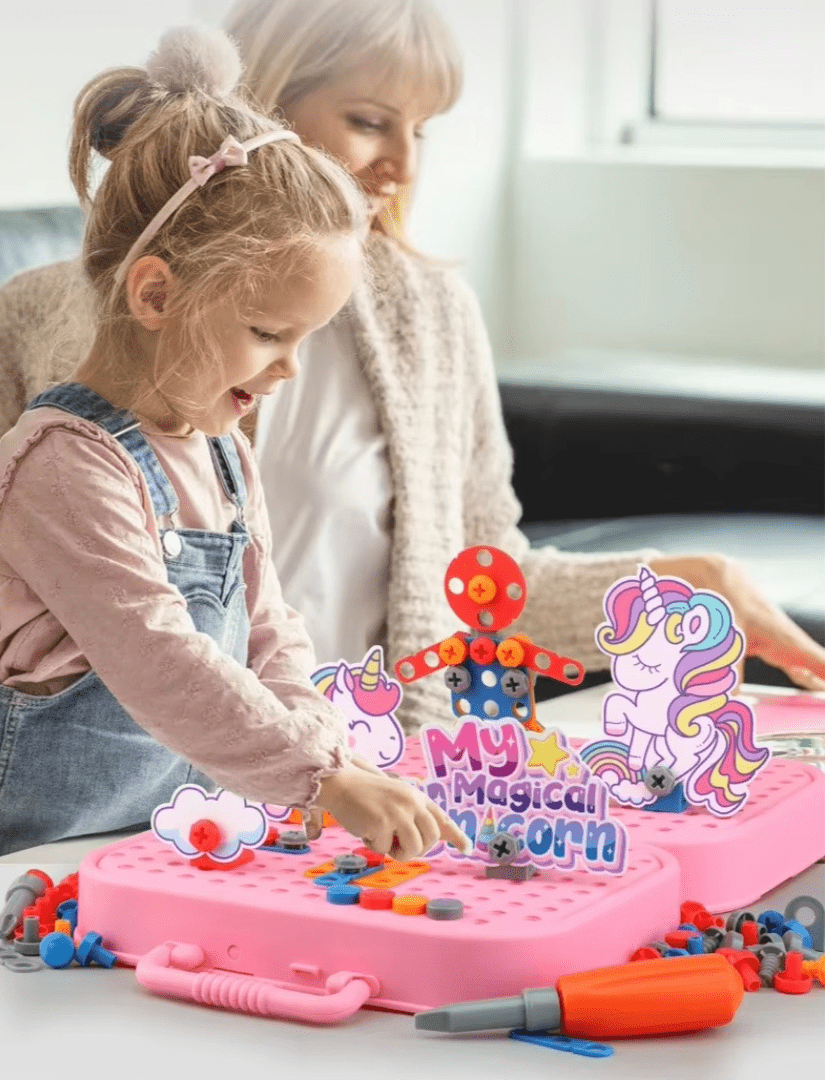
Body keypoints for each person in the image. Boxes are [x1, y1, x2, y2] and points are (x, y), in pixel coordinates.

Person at [0, 2, 822, 742]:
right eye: (368, 120)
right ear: (254, 110)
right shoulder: (48, 315)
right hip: (128, 801)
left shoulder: (435, 314)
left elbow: (476, 577)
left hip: (369, 781)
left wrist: (671, 586)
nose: (401, 162)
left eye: (421, 130)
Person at [0, 26, 468, 859]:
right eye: (265, 332)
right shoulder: (62, 467)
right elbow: (158, 657)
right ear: (156, 293)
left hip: (154, 840)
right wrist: (317, 779)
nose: (287, 367)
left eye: (304, 340)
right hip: (31, 855)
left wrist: (327, 750)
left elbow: (269, 628)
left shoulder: (222, 450)